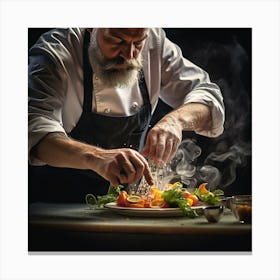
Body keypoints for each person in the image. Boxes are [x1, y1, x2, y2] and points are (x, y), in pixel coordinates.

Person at [28, 28, 225, 202]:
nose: (129, 55)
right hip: (56, 206)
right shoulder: (55, 51)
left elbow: (207, 94)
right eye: (117, 40)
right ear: (91, 28)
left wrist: (175, 121)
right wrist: (97, 157)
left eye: (138, 43)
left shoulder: (154, 41)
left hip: (128, 207)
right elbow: (32, 128)